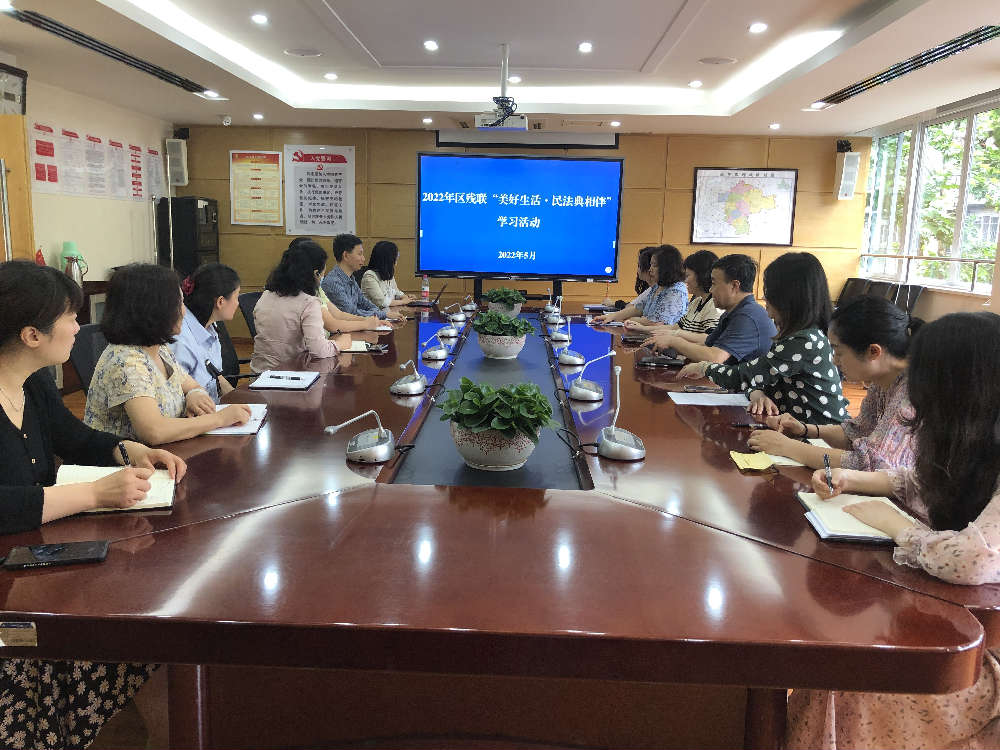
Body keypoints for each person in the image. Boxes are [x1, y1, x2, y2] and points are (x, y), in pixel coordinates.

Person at [786, 311, 1000, 750]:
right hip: (956, 621)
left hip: (980, 653)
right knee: (836, 655)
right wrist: (852, 479)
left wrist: (900, 527)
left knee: (852, 676)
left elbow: (974, 559)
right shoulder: (971, 442)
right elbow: (919, 480)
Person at [0, 260, 184, 749]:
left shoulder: (33, 382)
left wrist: (128, 450)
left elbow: (75, 438)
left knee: (152, 620)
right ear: (32, 335)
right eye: (70, 317)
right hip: (12, 588)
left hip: (37, 559)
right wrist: (95, 494)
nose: (80, 328)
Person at [748, 295, 920, 470]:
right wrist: (805, 429)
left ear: (873, 352)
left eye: (839, 352)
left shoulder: (911, 391)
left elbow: (868, 463)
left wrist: (787, 447)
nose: (834, 360)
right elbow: (855, 432)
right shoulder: (882, 379)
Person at [85, 264, 252, 444]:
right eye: (178, 304)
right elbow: (154, 431)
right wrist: (219, 419)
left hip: (166, 452)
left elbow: (191, 384)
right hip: (129, 460)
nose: (184, 311)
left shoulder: (159, 348)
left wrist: (194, 394)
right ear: (152, 310)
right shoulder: (126, 361)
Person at [678, 252, 849, 423]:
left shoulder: (804, 341)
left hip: (817, 433)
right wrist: (755, 391)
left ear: (788, 296)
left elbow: (742, 375)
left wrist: (704, 368)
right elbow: (760, 377)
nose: (765, 297)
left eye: (769, 290)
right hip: (792, 425)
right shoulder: (798, 334)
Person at [643, 253, 774, 364]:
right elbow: (708, 343)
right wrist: (669, 342)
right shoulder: (733, 312)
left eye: (714, 283)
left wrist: (674, 341)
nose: (711, 289)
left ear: (734, 286)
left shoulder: (748, 316)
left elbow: (715, 357)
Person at [251, 241, 352, 372]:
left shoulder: (266, 295)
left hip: (258, 376)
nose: (322, 278)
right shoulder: (309, 303)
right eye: (323, 274)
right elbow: (319, 350)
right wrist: (341, 344)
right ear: (315, 274)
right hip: (290, 377)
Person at [170, 262, 241, 403]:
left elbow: (216, 377)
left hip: (214, 409)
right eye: (237, 297)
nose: (238, 303)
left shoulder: (210, 325)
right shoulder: (180, 340)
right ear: (220, 302)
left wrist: (244, 403)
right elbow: (178, 399)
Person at [287, 238, 385, 334]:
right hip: (330, 336)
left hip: (331, 335)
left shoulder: (318, 289)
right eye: (359, 254)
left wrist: (372, 319)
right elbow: (336, 323)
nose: (363, 259)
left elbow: (339, 313)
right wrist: (369, 322)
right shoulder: (330, 283)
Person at [624, 249, 721, 335]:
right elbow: (675, 328)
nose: (685, 281)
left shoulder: (713, 306)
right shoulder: (696, 302)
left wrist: (673, 339)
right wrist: (641, 328)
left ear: (702, 276)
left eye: (688, 276)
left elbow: (708, 340)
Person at [592, 245, 687, 326]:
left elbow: (656, 323)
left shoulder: (676, 291)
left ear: (666, 267)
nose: (650, 269)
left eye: (654, 265)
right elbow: (638, 309)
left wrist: (627, 320)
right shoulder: (657, 286)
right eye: (650, 265)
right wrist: (611, 317)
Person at [321, 233, 387, 319]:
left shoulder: (351, 279)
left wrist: (379, 313)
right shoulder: (332, 282)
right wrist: (382, 314)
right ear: (346, 255)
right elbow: (351, 313)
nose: (363, 259)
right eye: (359, 254)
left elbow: (365, 303)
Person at [360, 240, 413, 309]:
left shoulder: (388, 274)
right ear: (388, 260)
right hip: (374, 314)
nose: (396, 263)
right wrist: (403, 302)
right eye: (395, 258)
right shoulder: (369, 276)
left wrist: (406, 297)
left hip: (389, 313)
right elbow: (382, 302)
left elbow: (396, 293)